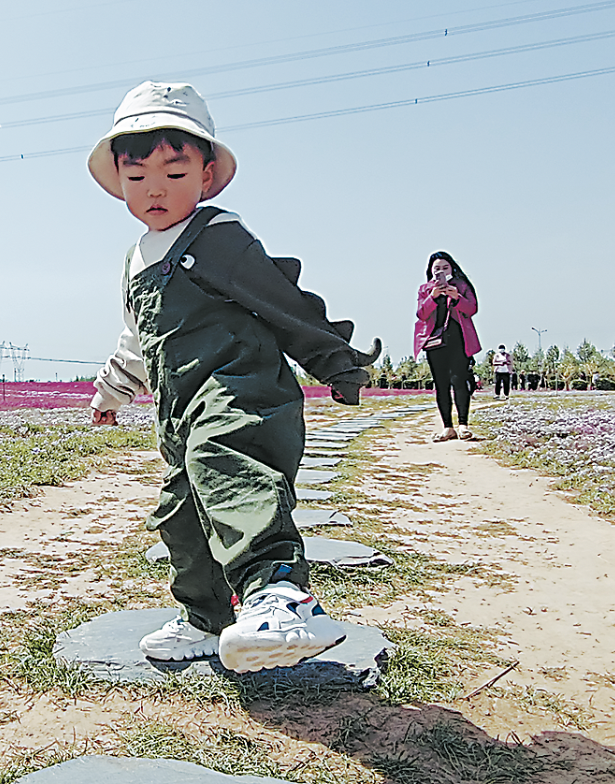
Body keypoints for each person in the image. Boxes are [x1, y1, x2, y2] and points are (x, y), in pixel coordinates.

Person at [87, 82, 380, 674]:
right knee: (182, 510)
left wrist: (335, 360)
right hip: (180, 409)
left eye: (174, 173)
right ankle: (208, 617)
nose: (155, 190)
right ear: (119, 179)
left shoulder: (219, 238)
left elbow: (282, 301)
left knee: (231, 473)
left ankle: (280, 594)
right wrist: (111, 390)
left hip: (242, 392)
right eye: (137, 176)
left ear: (207, 174)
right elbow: (137, 337)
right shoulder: (136, 258)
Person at [414, 251, 481, 441]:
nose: (441, 271)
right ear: (431, 271)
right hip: (434, 342)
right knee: (441, 384)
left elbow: (472, 308)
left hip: (459, 339)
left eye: (445, 267)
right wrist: (433, 296)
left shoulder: (461, 285)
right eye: (437, 268)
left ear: (452, 268)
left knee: (459, 380)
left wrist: (457, 297)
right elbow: (421, 314)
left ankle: (463, 425)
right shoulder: (425, 289)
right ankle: (447, 427)